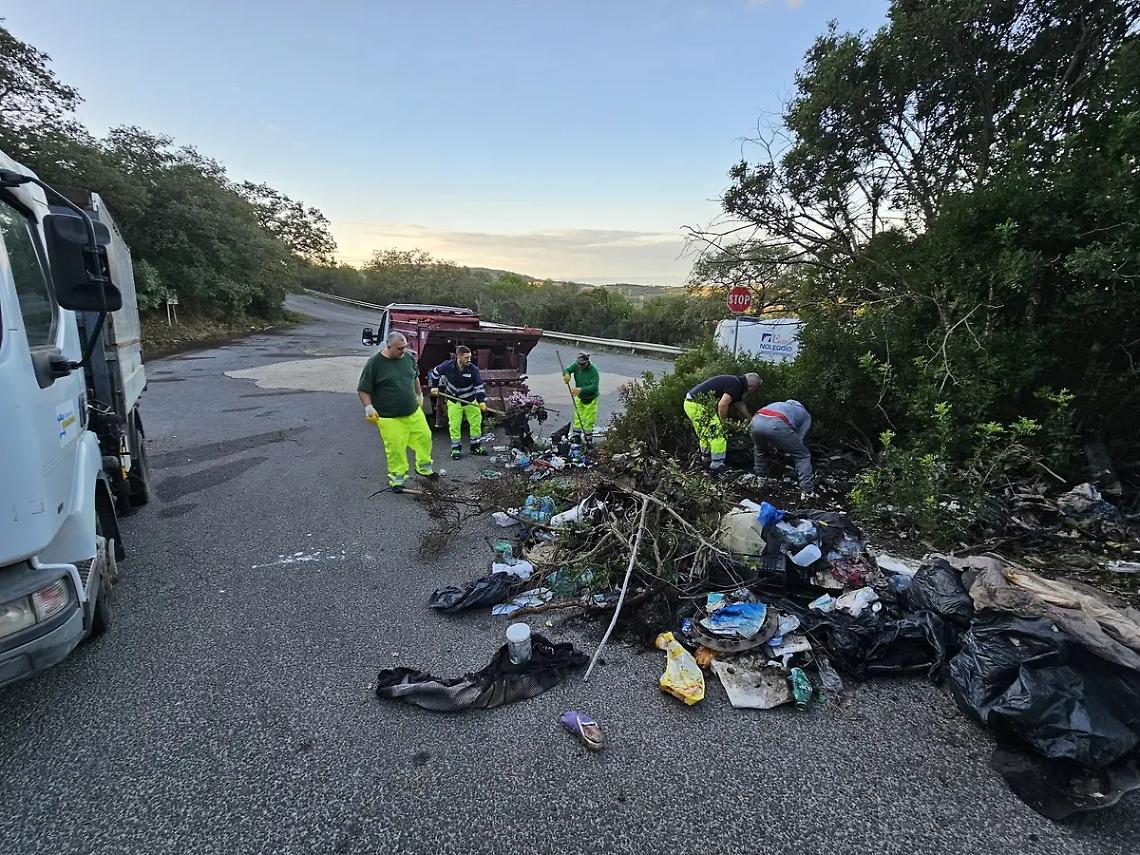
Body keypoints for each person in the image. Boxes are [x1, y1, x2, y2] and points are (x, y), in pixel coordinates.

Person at [357, 331, 436, 492]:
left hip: (412, 411)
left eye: (405, 347)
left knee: (425, 437)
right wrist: (368, 407)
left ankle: (424, 468)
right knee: (396, 448)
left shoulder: (408, 358)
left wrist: (419, 395)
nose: (403, 351)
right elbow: (363, 389)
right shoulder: (375, 363)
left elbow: (415, 377)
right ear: (388, 346)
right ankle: (397, 479)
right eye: (399, 348)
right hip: (389, 416)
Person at [684, 373, 761, 473]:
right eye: (756, 389)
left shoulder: (736, 382)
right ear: (752, 386)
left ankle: (706, 459)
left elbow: (739, 404)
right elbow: (722, 405)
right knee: (718, 434)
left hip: (691, 403)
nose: (754, 392)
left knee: (706, 434)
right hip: (698, 405)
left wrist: (751, 420)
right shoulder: (736, 385)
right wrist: (724, 424)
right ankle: (717, 465)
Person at [429, 345, 489, 460]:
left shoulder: (473, 369)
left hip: (471, 401)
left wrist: (481, 401)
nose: (469, 360)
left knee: (476, 424)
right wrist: (434, 386)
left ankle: (475, 447)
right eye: (466, 357)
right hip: (454, 401)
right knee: (454, 425)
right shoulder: (447, 366)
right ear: (458, 357)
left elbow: (479, 386)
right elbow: (435, 372)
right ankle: (456, 448)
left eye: (470, 357)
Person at [751, 399, 814, 499]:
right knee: (803, 455)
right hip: (777, 424)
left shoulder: (780, 404)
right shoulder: (806, 415)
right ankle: (807, 491)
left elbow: (768, 425)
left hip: (755, 421)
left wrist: (775, 445)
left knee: (760, 449)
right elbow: (799, 438)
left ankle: (760, 480)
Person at [562, 351, 600, 444]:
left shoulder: (593, 371)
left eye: (582, 364)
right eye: (578, 364)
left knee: (588, 420)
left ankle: (588, 441)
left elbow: (594, 387)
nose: (580, 366)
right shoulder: (576, 365)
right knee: (577, 418)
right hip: (579, 398)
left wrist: (580, 390)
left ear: (587, 362)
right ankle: (576, 438)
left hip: (590, 398)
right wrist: (566, 374)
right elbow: (567, 370)